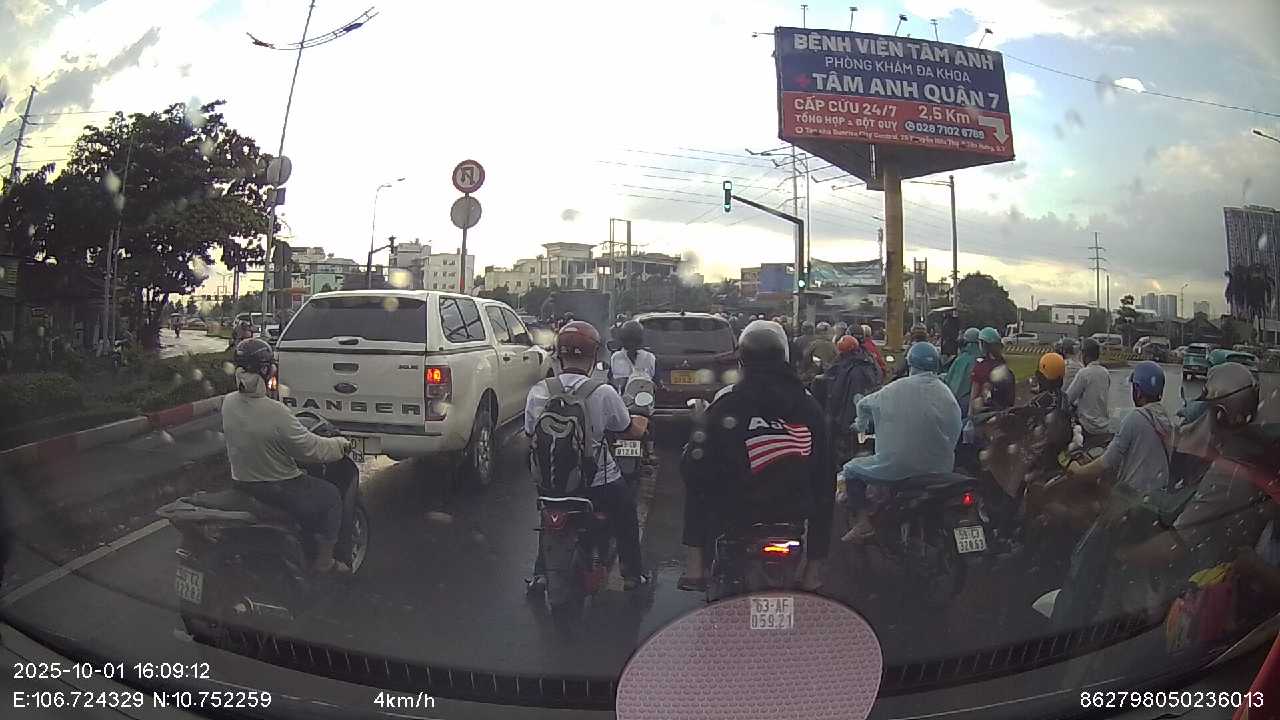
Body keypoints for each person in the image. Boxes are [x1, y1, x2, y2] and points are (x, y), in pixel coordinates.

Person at [678, 320, 832, 591]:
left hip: (737, 513)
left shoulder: (728, 404)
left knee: (696, 479)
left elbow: (696, 464)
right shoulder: (809, 406)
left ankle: (694, 567)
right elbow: (825, 472)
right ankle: (814, 572)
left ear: (742, 362)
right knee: (825, 485)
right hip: (794, 512)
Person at [525, 321, 651, 591]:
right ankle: (632, 574)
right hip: (598, 484)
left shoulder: (539, 391)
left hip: (551, 482)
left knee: (548, 518)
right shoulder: (603, 392)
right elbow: (629, 431)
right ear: (594, 356)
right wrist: (642, 418)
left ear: (559, 355)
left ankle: (540, 574)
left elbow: (530, 433)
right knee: (626, 514)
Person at [222, 338, 353, 573]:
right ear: (266, 371)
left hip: (242, 483)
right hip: (279, 487)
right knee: (331, 496)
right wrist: (341, 445)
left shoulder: (228, 403)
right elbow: (311, 449)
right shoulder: (276, 412)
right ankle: (325, 561)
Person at [841, 341, 962, 539]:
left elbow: (863, 404)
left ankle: (863, 523)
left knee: (851, 470)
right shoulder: (946, 393)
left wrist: (860, 425)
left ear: (910, 364)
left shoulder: (893, 389)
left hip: (899, 467)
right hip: (940, 468)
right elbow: (955, 428)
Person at [1066, 361, 1173, 495]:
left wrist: (1078, 471)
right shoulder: (1165, 418)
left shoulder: (1135, 418)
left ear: (1138, 391)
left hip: (1134, 495)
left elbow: (1107, 461)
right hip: (1158, 492)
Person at [825, 335, 883, 465]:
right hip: (869, 414)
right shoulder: (869, 361)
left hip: (848, 415)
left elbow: (838, 393)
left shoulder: (847, 367)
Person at [1065, 337, 1112, 445]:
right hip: (1104, 426)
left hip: (1087, 426)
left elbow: (1068, 398)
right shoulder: (1105, 373)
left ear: (1084, 354)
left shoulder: (1084, 373)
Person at [970, 327, 1014, 416]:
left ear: (984, 344)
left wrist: (970, 416)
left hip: (984, 415)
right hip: (1003, 414)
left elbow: (974, 396)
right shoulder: (1004, 366)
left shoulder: (980, 366)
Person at [609, 320, 656, 391]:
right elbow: (611, 383)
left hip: (645, 396)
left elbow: (657, 384)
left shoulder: (650, 358)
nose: (631, 344)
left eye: (634, 341)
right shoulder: (616, 357)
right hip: (621, 397)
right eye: (629, 341)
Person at [944, 328, 981, 417]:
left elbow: (949, 380)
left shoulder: (960, 359)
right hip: (975, 406)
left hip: (955, 402)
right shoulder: (983, 361)